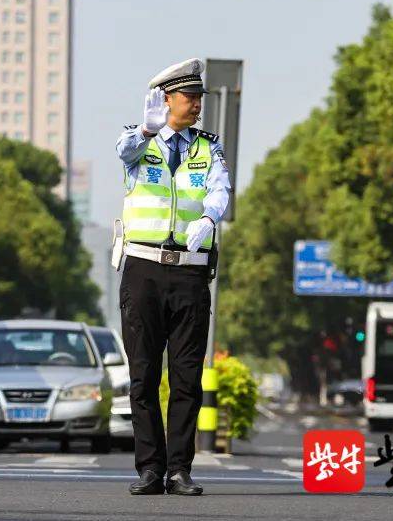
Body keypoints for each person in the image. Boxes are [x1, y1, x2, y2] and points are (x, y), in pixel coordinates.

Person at [115, 58, 230, 496]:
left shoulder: (208, 148)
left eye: (199, 97)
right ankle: (149, 468)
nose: (197, 105)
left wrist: (209, 217)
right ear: (166, 100)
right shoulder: (138, 142)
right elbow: (124, 152)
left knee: (186, 378)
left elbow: (220, 188)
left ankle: (179, 470)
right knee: (143, 375)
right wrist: (147, 131)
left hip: (190, 273)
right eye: (189, 97)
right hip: (143, 270)